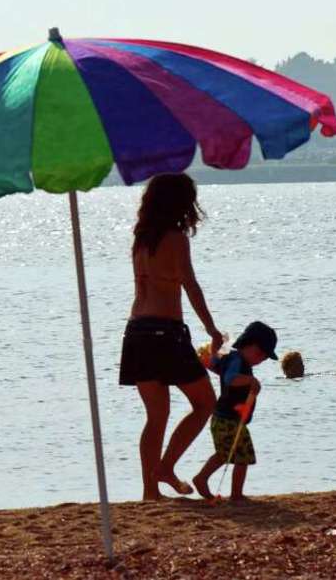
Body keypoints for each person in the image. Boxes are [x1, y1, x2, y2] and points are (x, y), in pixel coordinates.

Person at [119, 173, 224, 501]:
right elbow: (190, 285)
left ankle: (150, 491)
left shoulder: (141, 239)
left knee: (156, 416)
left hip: (137, 331)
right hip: (165, 332)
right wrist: (211, 328)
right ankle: (165, 468)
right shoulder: (176, 238)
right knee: (205, 403)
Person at [192, 321, 279, 501]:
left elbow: (216, 364)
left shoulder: (232, 359)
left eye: (264, 358)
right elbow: (230, 379)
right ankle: (235, 494)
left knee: (224, 454)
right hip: (227, 419)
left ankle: (202, 478)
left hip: (226, 418)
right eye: (259, 353)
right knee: (243, 457)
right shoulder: (236, 360)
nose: (260, 359)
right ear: (246, 344)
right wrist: (251, 381)